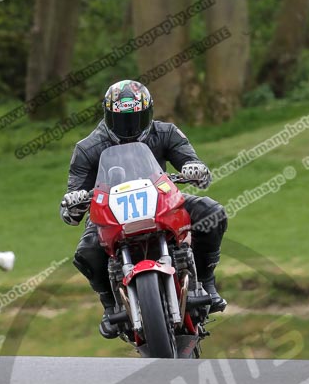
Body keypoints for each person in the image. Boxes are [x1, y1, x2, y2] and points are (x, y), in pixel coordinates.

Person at [61, 79, 227, 339]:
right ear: (107, 116)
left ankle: (206, 281)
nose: (129, 127)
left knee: (212, 212)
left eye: (136, 119)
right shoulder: (87, 148)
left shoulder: (167, 132)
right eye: (121, 121)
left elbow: (195, 166)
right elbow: (73, 198)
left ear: (148, 113)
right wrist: (73, 202)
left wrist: (194, 169)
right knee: (86, 252)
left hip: (160, 198)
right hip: (111, 210)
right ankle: (110, 305)